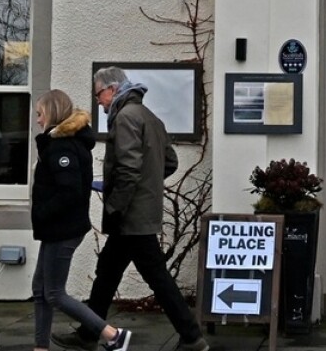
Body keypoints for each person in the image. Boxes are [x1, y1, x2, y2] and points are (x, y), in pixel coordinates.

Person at [53, 67, 209, 351]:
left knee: (155, 278)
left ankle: (191, 336)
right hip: (140, 213)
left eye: (99, 93)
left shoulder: (124, 118)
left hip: (129, 216)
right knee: (109, 273)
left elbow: (128, 169)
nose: (98, 101)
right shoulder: (149, 116)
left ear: (112, 89)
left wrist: (115, 206)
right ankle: (89, 334)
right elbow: (169, 162)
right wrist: (147, 185)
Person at [30, 89, 131, 351]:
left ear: (52, 113)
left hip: (62, 228)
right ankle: (41, 346)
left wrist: (41, 213)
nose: (38, 120)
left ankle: (112, 335)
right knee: (41, 288)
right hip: (56, 228)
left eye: (40, 114)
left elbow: (70, 191)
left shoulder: (63, 146)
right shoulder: (60, 143)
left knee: (54, 293)